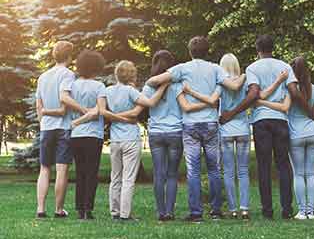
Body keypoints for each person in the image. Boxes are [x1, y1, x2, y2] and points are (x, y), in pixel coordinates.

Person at [146, 36, 245, 222]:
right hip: (210, 124)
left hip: (190, 124)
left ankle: (196, 213)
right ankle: (216, 211)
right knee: (214, 169)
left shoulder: (182, 69)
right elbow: (233, 85)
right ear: (207, 51)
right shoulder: (216, 68)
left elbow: (153, 81)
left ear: (190, 51)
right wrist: (244, 76)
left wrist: (173, 83)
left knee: (193, 170)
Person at [219, 34, 314, 220]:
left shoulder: (253, 68)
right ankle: (287, 209)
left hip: (261, 122)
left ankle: (267, 210)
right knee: (283, 165)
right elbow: (294, 93)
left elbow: (254, 93)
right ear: (273, 48)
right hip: (280, 120)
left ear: (258, 50)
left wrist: (231, 113)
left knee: (264, 166)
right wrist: (310, 112)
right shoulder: (284, 66)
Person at [183, 53, 288, 220]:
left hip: (225, 130)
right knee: (244, 171)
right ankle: (245, 209)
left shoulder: (220, 82)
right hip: (243, 129)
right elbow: (253, 99)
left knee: (229, 172)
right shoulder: (245, 81)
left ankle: (232, 209)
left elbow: (214, 102)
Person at [141, 50, 213, 222]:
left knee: (159, 173)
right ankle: (170, 212)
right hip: (175, 132)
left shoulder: (149, 86)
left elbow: (144, 105)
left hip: (156, 133)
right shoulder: (178, 85)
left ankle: (161, 212)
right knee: (172, 174)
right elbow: (185, 106)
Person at [257, 56, 314, 220]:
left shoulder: (290, 89)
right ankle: (311, 211)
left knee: (298, 174)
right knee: (311, 174)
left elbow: (284, 107)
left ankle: (302, 211)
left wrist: (262, 103)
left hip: (296, 136)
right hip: (313, 134)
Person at [98, 60, 169, 222]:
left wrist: (118, 117)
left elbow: (104, 111)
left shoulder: (108, 91)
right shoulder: (131, 91)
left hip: (115, 140)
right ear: (131, 75)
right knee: (128, 178)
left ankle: (114, 211)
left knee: (115, 176)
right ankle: (125, 214)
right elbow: (151, 103)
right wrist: (164, 86)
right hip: (130, 138)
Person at [58, 50, 106, 220]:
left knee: (80, 172)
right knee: (91, 172)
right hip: (94, 135)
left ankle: (79, 209)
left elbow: (65, 101)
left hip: (76, 135)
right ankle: (88, 209)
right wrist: (89, 114)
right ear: (97, 67)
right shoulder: (99, 86)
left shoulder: (73, 85)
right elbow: (100, 111)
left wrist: (77, 122)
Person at [35, 41, 75, 218]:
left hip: (46, 128)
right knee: (61, 169)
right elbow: (64, 104)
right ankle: (59, 210)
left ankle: (40, 209)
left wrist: (43, 120)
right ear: (69, 56)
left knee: (44, 168)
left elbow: (38, 105)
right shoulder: (68, 75)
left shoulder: (43, 76)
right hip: (63, 128)